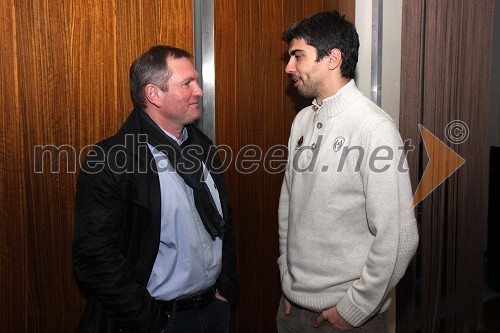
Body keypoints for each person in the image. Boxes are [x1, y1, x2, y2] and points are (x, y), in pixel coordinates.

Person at [73, 45, 237, 333]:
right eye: (187, 83)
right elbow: (95, 256)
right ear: (153, 94)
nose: (199, 91)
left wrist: (225, 287)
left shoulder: (203, 148)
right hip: (159, 320)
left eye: (196, 81)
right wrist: (150, 321)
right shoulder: (112, 160)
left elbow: (225, 224)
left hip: (214, 310)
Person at [276, 11, 419, 332]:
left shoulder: (373, 127)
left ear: (332, 59)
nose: (289, 67)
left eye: (298, 56)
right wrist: (288, 277)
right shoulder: (302, 121)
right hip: (291, 307)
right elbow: (290, 207)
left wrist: (355, 307)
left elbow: (400, 236)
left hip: (344, 317)